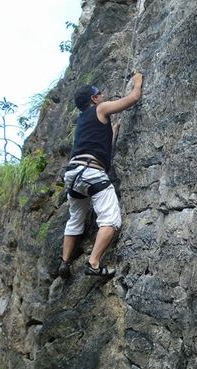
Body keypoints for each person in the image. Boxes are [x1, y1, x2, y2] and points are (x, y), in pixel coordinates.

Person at [58, 72, 143, 279]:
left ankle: (65, 262)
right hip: (91, 172)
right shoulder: (101, 109)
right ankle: (94, 263)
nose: (103, 95)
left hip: (73, 175)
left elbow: (96, 142)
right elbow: (132, 99)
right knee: (111, 219)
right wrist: (138, 80)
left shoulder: (83, 120)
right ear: (94, 99)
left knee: (75, 218)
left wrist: (111, 132)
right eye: (100, 93)